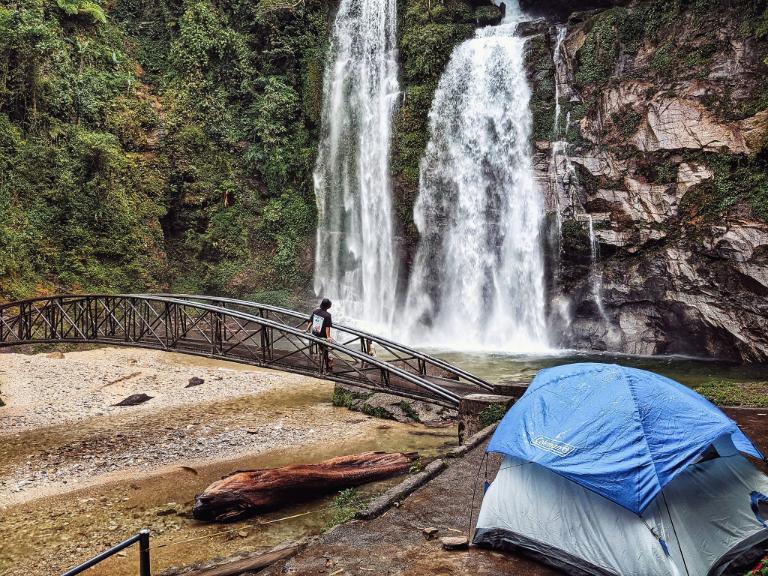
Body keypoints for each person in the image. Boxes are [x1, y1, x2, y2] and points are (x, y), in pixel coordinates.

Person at [307, 298, 333, 369]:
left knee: (322, 349)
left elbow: (311, 321)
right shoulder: (328, 315)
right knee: (325, 349)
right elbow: (327, 327)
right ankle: (327, 365)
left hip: (314, 333)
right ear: (328, 306)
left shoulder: (315, 311)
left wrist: (307, 329)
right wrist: (328, 337)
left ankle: (327, 361)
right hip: (322, 335)